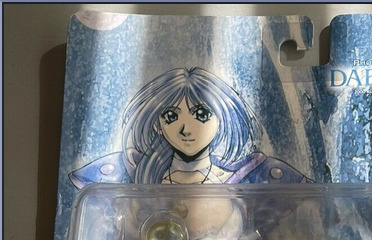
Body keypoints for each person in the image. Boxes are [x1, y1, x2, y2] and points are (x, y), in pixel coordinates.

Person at [69, 67, 309, 188]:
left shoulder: (254, 174)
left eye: (201, 115)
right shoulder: (126, 171)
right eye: (171, 116)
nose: (186, 129)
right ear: (157, 125)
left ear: (222, 119)